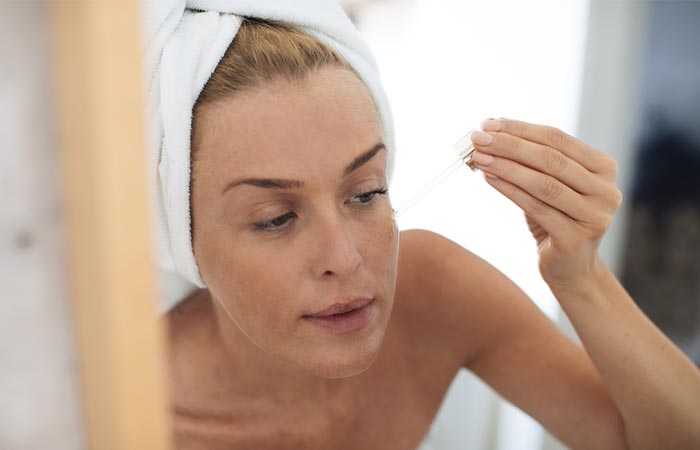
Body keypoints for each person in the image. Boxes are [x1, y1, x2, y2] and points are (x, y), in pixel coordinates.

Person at [162, 17, 700, 450]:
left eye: (366, 192)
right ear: (181, 234)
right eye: (276, 218)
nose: (344, 258)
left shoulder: (433, 289)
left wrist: (581, 276)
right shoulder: (114, 418)